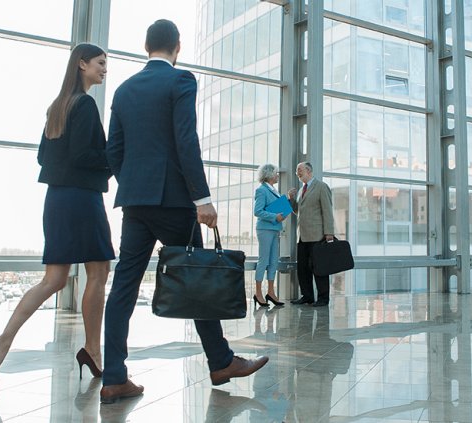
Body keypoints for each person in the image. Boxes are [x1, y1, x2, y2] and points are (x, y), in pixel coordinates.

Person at [100, 19, 267, 404]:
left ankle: (113, 377)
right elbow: (185, 139)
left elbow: (114, 151)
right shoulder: (180, 81)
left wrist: (136, 184)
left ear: (146, 46)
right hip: (175, 201)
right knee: (196, 278)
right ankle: (221, 361)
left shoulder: (124, 90)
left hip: (136, 202)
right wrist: (201, 198)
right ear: (177, 46)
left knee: (123, 287)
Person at [0, 44, 113, 386]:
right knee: (98, 272)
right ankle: (93, 352)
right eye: (100, 63)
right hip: (82, 200)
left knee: (54, 279)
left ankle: (0, 345)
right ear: (82, 64)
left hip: (57, 201)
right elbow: (83, 155)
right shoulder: (86, 105)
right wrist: (114, 157)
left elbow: (42, 158)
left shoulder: (58, 107)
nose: (104, 68)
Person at [287, 162, 335, 307]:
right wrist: (291, 199)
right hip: (302, 236)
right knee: (303, 268)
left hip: (317, 235)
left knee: (319, 267)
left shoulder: (321, 187)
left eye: (299, 170)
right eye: (297, 171)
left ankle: (323, 298)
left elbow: (327, 210)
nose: (297, 173)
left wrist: (329, 232)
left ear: (309, 170)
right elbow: (299, 212)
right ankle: (307, 296)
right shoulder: (302, 190)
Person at [253, 163, 287, 307]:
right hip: (265, 229)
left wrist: (283, 210)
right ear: (270, 174)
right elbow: (258, 211)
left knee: (273, 261)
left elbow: (277, 210)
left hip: (274, 229)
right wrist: (275, 216)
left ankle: (271, 292)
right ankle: (258, 292)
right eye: (276, 173)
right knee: (264, 260)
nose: (278, 175)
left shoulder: (274, 190)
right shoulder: (261, 190)